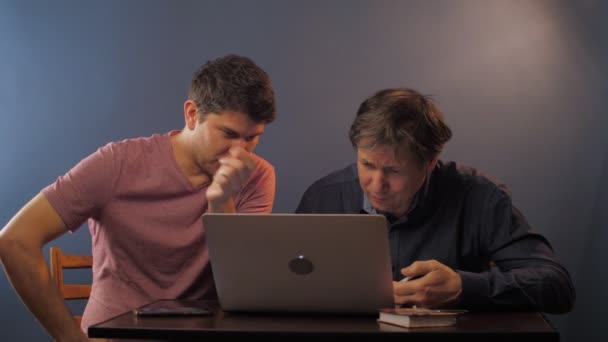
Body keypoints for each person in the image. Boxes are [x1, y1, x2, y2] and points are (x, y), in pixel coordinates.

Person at [0, 54, 277, 341]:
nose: (240, 152)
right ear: (192, 114)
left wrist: (221, 204)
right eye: (228, 134)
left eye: (252, 137)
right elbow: (15, 241)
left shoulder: (257, 177)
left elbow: (241, 289)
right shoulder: (117, 163)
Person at [296, 88, 575, 313]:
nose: (377, 184)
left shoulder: (481, 198)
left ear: (429, 164)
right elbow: (289, 283)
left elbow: (556, 287)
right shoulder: (323, 198)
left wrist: (463, 287)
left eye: (394, 170)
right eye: (367, 164)